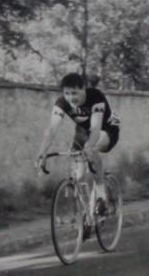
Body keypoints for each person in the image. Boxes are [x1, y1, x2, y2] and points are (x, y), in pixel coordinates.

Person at [35, 73, 121, 208]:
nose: (71, 98)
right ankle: (87, 215)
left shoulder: (95, 96)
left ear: (84, 89)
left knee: (92, 150)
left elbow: (96, 128)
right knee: (78, 175)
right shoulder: (62, 103)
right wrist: (42, 152)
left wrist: (88, 147)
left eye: (75, 93)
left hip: (107, 129)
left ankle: (101, 193)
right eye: (67, 93)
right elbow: (51, 129)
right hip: (82, 132)